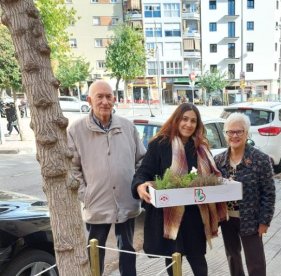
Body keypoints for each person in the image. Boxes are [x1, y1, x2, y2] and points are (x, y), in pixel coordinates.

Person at [132, 103, 227, 276]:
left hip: (195, 217)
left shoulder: (201, 148)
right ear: (176, 120)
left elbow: (213, 176)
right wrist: (140, 185)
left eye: (193, 121)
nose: (188, 124)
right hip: (170, 216)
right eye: (184, 119)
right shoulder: (159, 145)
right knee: (173, 260)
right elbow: (143, 171)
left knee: (199, 263)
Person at [67, 80, 146, 276]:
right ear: (89, 100)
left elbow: (141, 161)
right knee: (95, 250)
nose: (105, 101)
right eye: (99, 97)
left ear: (114, 99)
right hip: (96, 203)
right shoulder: (76, 130)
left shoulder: (127, 127)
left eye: (108, 96)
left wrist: (135, 187)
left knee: (127, 249)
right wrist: (86, 195)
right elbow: (71, 168)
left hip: (126, 201)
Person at [214, 112, 275, 276]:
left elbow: (268, 194)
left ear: (247, 133)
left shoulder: (260, 159)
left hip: (251, 219)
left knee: (255, 263)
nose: (234, 136)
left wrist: (265, 222)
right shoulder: (219, 160)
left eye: (239, 131)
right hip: (227, 219)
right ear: (226, 134)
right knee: (232, 257)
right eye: (230, 132)